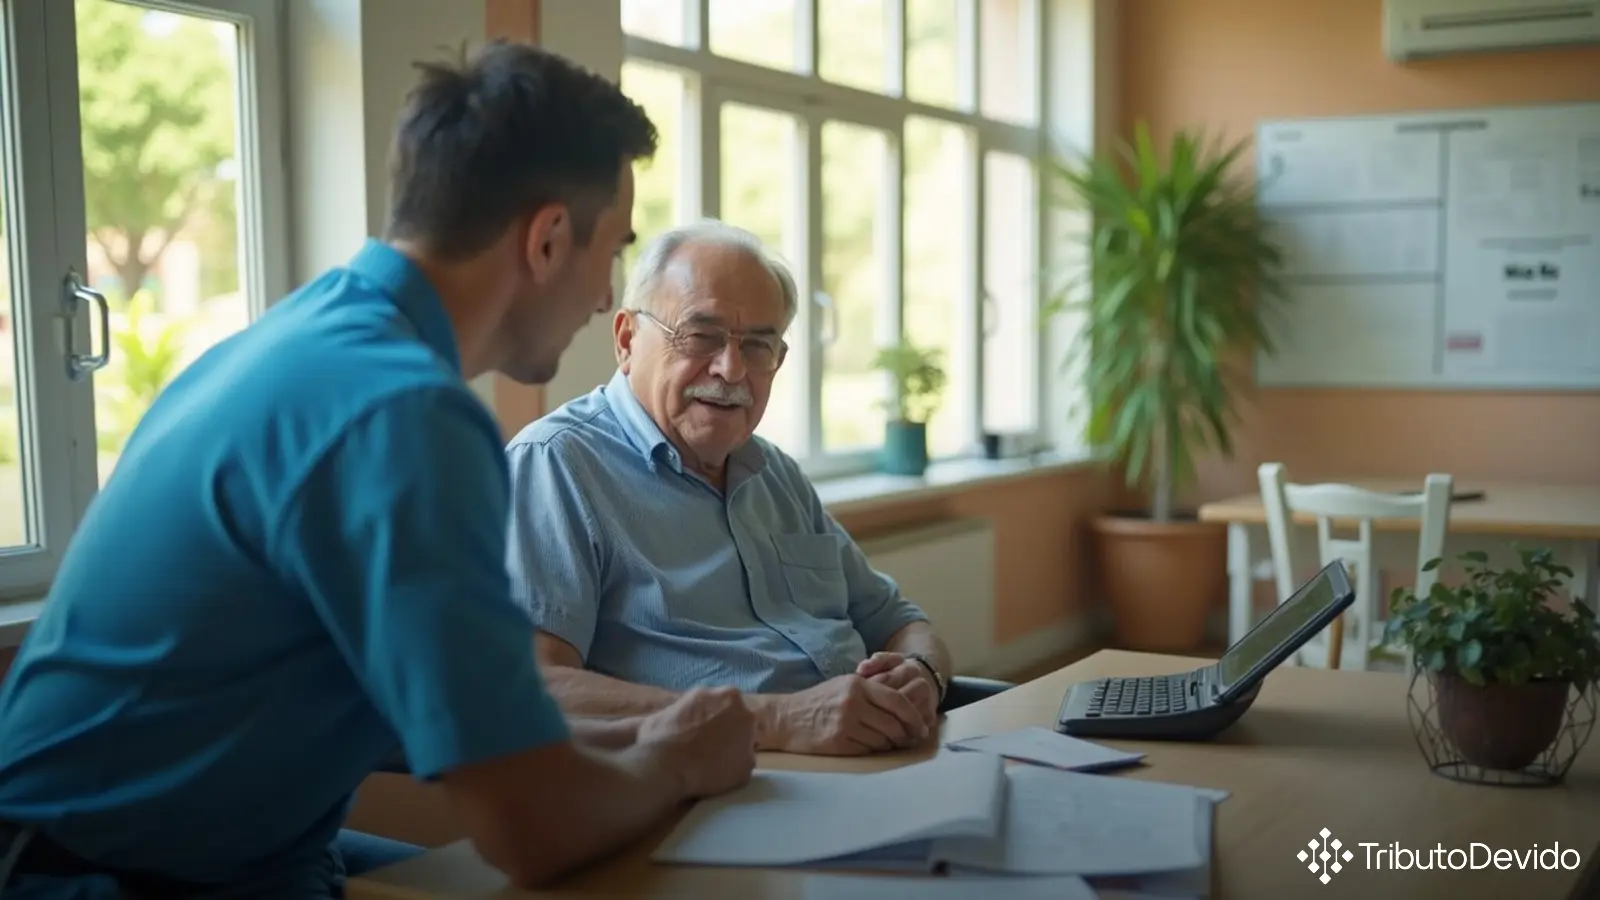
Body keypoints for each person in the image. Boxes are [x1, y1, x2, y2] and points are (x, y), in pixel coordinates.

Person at [0, 42, 756, 899]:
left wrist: (645, 739)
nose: (604, 296)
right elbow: (533, 828)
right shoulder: (403, 413)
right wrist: (675, 761)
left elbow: (448, 721)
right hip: (101, 880)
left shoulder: (295, 341)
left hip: (229, 850)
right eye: (611, 250)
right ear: (548, 239)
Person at [504, 219, 956, 758]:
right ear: (626, 339)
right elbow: (532, 688)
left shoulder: (776, 474)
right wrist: (777, 720)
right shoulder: (557, 464)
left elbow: (901, 622)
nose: (731, 369)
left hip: (874, 762)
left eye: (758, 346)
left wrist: (921, 673)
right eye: (701, 336)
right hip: (727, 781)